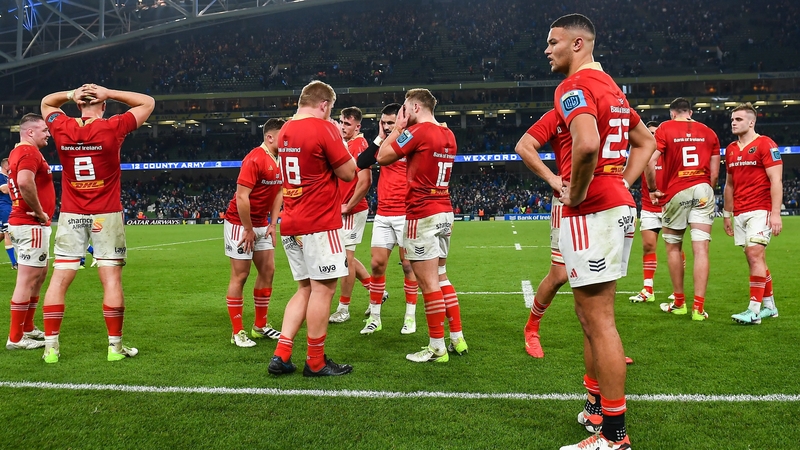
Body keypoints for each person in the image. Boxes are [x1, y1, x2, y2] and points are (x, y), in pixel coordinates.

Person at [546, 13, 656, 450]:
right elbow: (645, 142)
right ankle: (597, 410)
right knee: (591, 319)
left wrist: (575, 191)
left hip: (593, 211)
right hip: (614, 205)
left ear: (578, 44)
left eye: (553, 42)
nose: (547, 50)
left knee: (600, 321)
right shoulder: (611, 87)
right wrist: (622, 181)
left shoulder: (573, 87)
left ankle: (614, 437)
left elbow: (587, 144)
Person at [40, 84, 155, 363]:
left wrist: (69, 95)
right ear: (102, 105)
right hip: (107, 213)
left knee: (59, 278)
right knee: (111, 279)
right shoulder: (113, 126)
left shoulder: (62, 126)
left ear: (78, 105)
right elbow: (147, 102)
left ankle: (50, 348)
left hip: (71, 213)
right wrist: (110, 92)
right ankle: (115, 349)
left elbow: (46, 103)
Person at [267, 80, 357, 377]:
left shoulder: (286, 129)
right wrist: (340, 141)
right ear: (324, 104)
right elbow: (347, 173)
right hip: (319, 223)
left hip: (291, 221)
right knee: (323, 290)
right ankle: (316, 361)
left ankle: (281, 353)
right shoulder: (324, 128)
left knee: (304, 288)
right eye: (331, 109)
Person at [377, 88, 467, 363]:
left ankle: (437, 347)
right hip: (444, 210)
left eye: (405, 109)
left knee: (427, 283)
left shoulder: (416, 132)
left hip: (421, 214)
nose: (403, 115)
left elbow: (382, 155)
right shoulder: (448, 133)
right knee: (441, 276)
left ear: (415, 107)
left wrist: (398, 128)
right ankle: (457, 338)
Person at [647, 98, 720, 321]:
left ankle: (679, 303)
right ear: (690, 112)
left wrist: (653, 188)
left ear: (672, 114)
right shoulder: (708, 132)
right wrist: (706, 189)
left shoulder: (665, 129)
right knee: (701, 250)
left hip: (678, 190)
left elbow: (650, 162)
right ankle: (699, 309)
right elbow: (715, 173)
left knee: (673, 248)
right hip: (704, 189)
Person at [358, 103, 420, 335]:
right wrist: (380, 137)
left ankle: (410, 317)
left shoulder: (409, 140)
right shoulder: (382, 144)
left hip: (406, 213)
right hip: (384, 213)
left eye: (390, 122)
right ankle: (374, 318)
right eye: (382, 122)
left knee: (407, 266)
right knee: (376, 264)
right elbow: (362, 162)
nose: (385, 126)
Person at [223, 118, 285, 347]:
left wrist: (273, 223)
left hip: (261, 223)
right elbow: (241, 196)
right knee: (241, 275)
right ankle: (237, 332)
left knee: (268, 270)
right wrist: (248, 229)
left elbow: (279, 192)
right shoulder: (255, 158)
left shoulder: (282, 158)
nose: (287, 139)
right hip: (240, 223)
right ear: (270, 137)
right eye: (283, 135)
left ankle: (260, 326)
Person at [515, 109, 570, 358]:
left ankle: (606, 342)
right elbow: (524, 146)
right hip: (568, 198)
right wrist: (552, 178)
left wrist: (624, 180)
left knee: (601, 279)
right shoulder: (560, 112)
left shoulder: (607, 108)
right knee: (559, 275)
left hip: (603, 199)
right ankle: (532, 327)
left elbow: (646, 142)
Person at [723, 102, 783, 324]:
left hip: (761, 209)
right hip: (740, 211)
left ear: (751, 121)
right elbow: (729, 184)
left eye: (738, 119)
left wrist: (775, 213)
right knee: (755, 259)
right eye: (732, 120)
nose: (733, 123)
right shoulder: (730, 149)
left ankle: (754, 310)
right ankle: (769, 307)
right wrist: (727, 213)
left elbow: (776, 180)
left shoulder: (766, 144)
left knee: (754, 254)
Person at [5, 114, 55, 350]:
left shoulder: (20, 152)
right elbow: (25, 182)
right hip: (29, 223)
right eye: (44, 130)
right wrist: (40, 211)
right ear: (30, 132)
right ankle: (15, 338)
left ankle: (27, 327)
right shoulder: (28, 152)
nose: (48, 133)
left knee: (39, 275)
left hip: (28, 223)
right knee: (27, 279)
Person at [328, 107, 376, 325]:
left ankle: (344, 308)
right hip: (341, 209)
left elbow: (366, 181)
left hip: (352, 210)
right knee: (344, 258)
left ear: (358, 126)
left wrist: (348, 206)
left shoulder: (360, 144)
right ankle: (375, 289)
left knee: (344, 260)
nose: (343, 127)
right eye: (341, 122)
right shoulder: (344, 144)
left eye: (347, 124)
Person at [628, 121, 670, 303]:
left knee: (673, 248)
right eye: (650, 133)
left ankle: (678, 290)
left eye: (655, 133)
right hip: (648, 206)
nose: (653, 136)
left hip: (670, 206)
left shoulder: (669, 154)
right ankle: (648, 289)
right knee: (648, 246)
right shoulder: (641, 155)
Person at [0, 158, 19, 270]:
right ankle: (14, 263)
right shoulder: (1, 177)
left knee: (3, 233)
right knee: (8, 233)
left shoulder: (7, 178)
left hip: (9, 207)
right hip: (4, 208)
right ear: (6, 166)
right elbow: (5, 190)